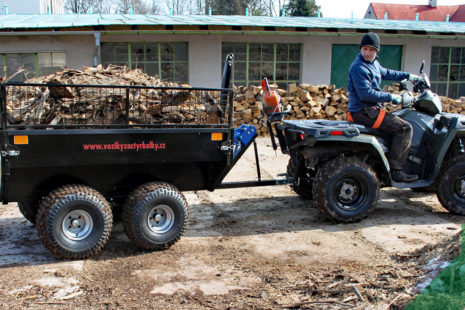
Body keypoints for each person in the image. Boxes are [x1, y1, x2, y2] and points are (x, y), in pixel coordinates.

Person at [347, 32, 419, 183]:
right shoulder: (359, 67)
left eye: (371, 50)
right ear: (361, 49)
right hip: (364, 111)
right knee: (405, 128)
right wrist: (391, 97)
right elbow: (366, 94)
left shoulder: (373, 64)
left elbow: (387, 73)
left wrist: (409, 76)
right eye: (365, 49)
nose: (367, 52)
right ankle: (397, 170)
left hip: (369, 110)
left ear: (376, 51)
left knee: (396, 123)